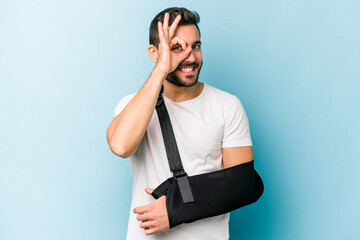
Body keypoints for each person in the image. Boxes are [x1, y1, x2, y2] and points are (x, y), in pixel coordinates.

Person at [107, 7, 253, 240]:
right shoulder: (132, 105)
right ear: (154, 53)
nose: (191, 57)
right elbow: (121, 147)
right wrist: (162, 68)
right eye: (177, 48)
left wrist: (175, 209)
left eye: (196, 46)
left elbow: (242, 185)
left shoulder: (227, 105)